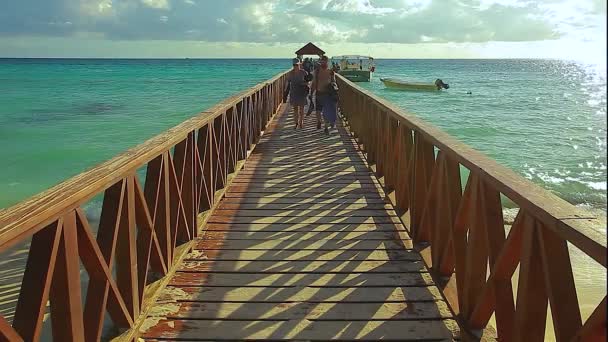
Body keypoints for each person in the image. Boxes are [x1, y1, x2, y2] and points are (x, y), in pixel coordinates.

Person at [311, 55, 337, 130]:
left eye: (323, 61)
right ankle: (324, 124)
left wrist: (311, 92)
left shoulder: (317, 71)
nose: (323, 62)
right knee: (324, 110)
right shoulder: (330, 71)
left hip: (322, 93)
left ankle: (320, 122)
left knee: (319, 109)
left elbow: (314, 83)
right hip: (325, 93)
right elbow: (334, 82)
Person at [284, 58, 309, 129]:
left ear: (299, 64)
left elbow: (308, 82)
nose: (295, 66)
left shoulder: (304, 72)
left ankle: (301, 122)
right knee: (295, 109)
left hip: (302, 92)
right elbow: (287, 82)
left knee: (301, 109)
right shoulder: (290, 73)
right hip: (294, 92)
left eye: (297, 64)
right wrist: (285, 91)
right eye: (294, 65)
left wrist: (305, 83)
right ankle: (296, 123)